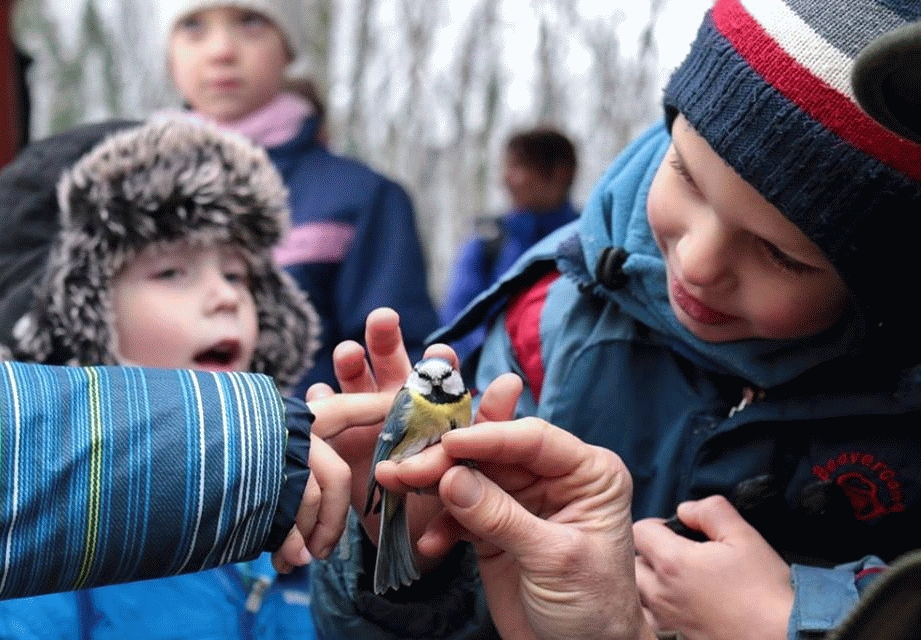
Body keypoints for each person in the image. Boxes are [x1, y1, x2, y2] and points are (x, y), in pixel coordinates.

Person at [308, 1, 921, 638]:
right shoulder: (549, 323)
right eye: (686, 175)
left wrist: (800, 623)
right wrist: (410, 555)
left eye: (780, 254)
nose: (700, 261)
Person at [0, 118, 383, 638]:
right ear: (75, 318)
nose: (226, 296)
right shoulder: (33, 560)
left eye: (237, 274)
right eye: (170, 273)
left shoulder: (302, 502)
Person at [159, 0, 439, 397]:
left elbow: (399, 361)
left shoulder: (362, 198)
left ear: (288, 50)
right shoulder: (121, 199)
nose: (221, 51)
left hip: (311, 451)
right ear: (169, 56)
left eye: (251, 22)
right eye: (193, 26)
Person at [440, 127, 578, 362]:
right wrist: (502, 364)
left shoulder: (592, 244)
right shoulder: (486, 244)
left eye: (518, 167)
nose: (506, 180)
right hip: (493, 387)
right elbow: (457, 323)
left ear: (560, 173)